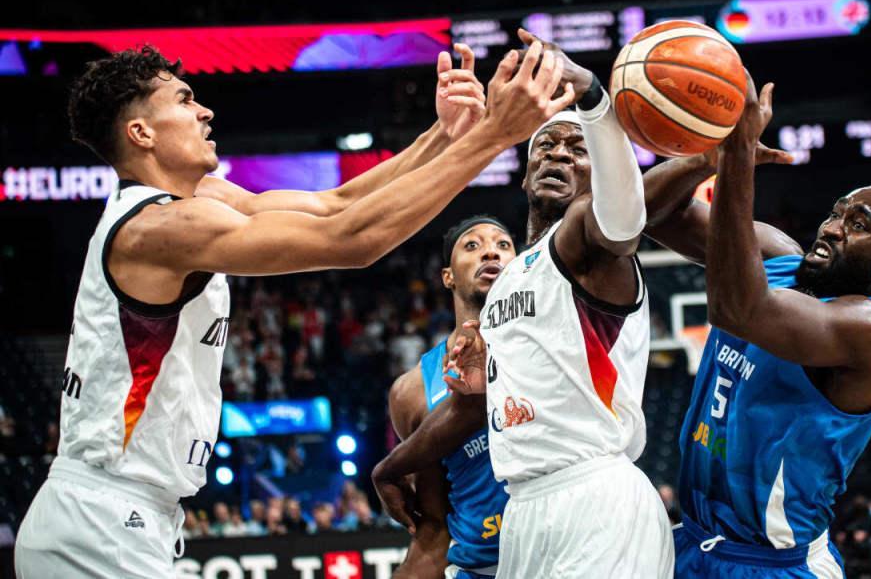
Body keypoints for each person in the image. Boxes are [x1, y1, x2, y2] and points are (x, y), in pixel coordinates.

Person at [13, 39, 575, 579]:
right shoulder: (158, 228)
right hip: (102, 519)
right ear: (141, 133)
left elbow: (334, 203)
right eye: (184, 100)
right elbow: (351, 240)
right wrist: (496, 136)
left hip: (124, 515)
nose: (205, 111)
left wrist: (445, 136)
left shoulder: (200, 199)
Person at [376, 29, 675, 578]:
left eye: (576, 149)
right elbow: (469, 411)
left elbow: (623, 219)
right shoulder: (512, 280)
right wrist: (392, 466)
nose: (558, 153)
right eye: (545, 147)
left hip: (593, 497)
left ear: (597, 174)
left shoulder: (590, 244)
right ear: (524, 175)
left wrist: (595, 101)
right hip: (525, 506)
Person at [654, 76, 871, 577]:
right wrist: (704, 158)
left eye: (859, 225)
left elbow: (736, 309)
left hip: (774, 563)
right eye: (836, 213)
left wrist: (738, 158)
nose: (833, 228)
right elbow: (653, 214)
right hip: (694, 543)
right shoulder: (779, 257)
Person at [385, 216, 516, 578]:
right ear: (448, 277)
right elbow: (435, 523)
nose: (490, 252)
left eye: (503, 245)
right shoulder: (412, 392)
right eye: (472, 245)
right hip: (484, 568)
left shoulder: (553, 348)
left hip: (564, 553)